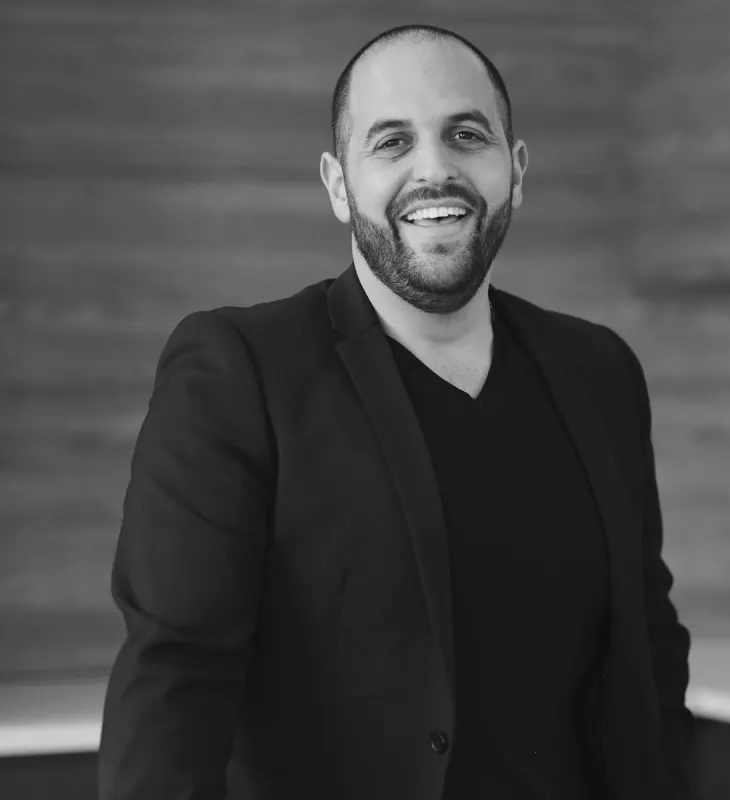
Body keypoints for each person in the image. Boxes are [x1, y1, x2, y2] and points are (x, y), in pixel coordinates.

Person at [98, 23, 695, 800]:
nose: (435, 169)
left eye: (466, 134)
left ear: (514, 170)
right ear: (338, 185)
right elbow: (172, 678)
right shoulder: (239, 369)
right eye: (391, 143)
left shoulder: (601, 371)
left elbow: (650, 652)